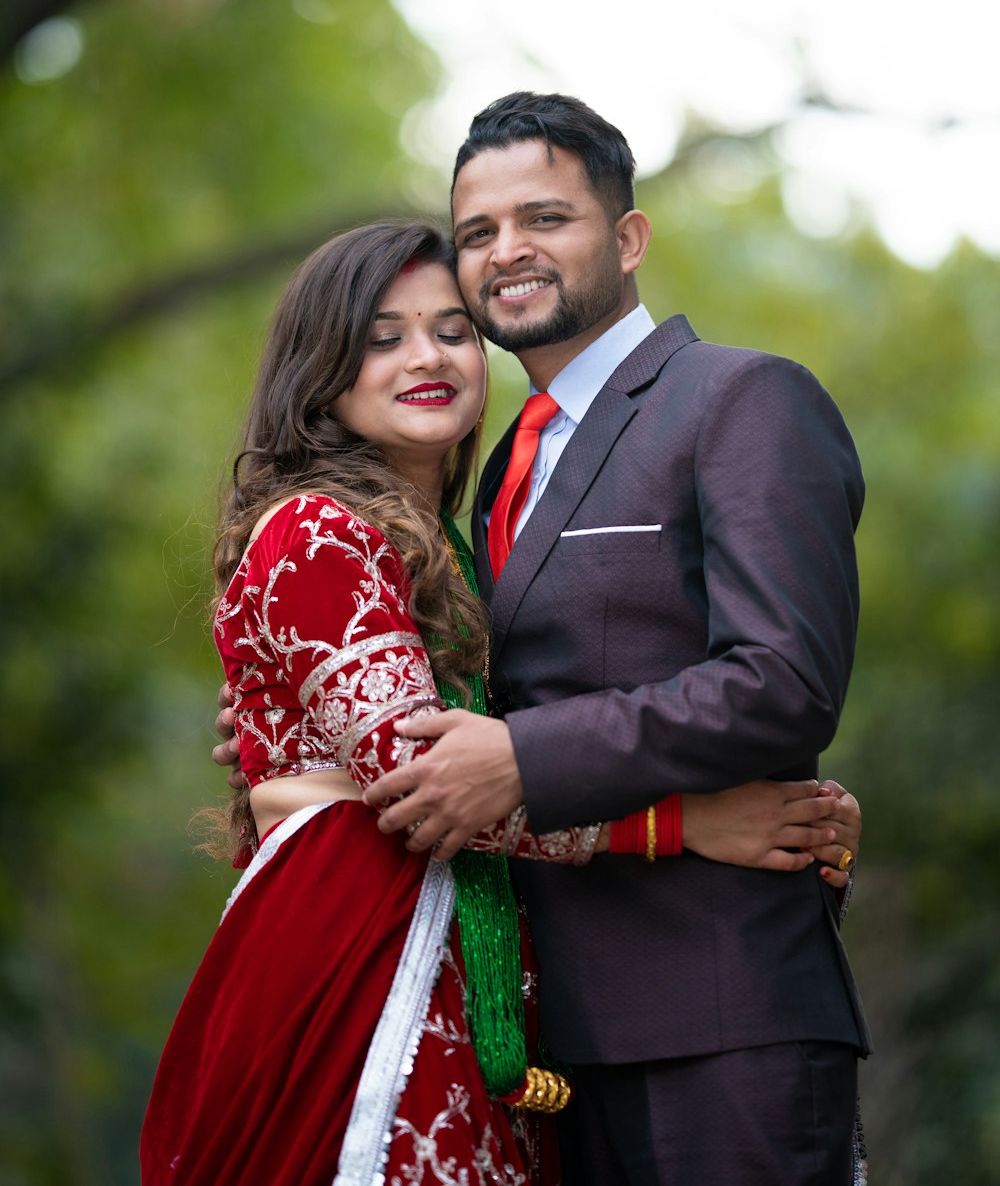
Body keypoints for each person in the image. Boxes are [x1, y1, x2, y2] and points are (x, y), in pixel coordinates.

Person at [159, 220, 861, 1186]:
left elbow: (485, 731)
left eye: (451, 331)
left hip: (470, 958)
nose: (427, 358)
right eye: (382, 337)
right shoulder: (321, 530)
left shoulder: (460, 533)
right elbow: (432, 786)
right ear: (321, 369)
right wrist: (684, 823)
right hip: (359, 961)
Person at [361, 93, 872, 1186]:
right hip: (545, 1045)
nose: (507, 253)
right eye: (478, 233)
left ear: (628, 238)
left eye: (545, 218)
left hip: (721, 1018)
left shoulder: (739, 401)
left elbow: (783, 681)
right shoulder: (500, 465)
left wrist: (521, 762)